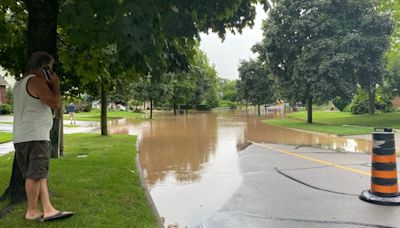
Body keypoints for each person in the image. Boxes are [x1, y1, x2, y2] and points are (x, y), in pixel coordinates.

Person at [13, 52, 73, 222]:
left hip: (22, 136)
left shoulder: (19, 83)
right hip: (35, 136)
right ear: (45, 68)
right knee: (35, 175)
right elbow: (54, 103)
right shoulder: (36, 81)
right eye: (50, 68)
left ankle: (48, 209)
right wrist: (56, 85)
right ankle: (32, 211)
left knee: (39, 174)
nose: (52, 71)